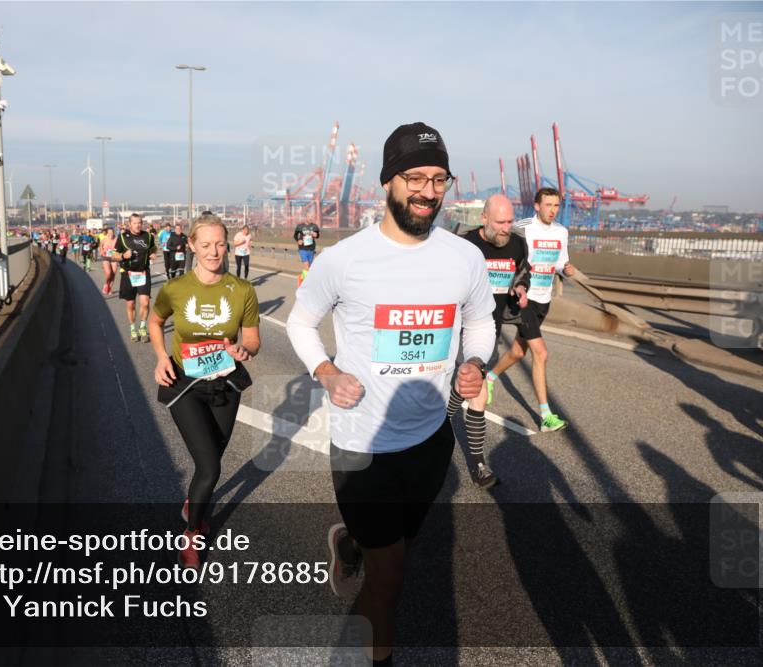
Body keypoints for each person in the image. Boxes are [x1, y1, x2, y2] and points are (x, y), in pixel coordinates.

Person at [286, 122, 495, 665]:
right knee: (391, 574)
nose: (428, 191)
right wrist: (327, 373)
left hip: (430, 442)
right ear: (387, 182)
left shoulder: (463, 258)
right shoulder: (345, 260)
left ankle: (349, 542)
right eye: (414, 178)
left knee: (395, 547)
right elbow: (300, 324)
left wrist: (474, 361)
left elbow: (481, 323)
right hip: (363, 444)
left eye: (438, 179)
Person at [149, 213, 260, 568]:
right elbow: (155, 321)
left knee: (212, 458)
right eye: (206, 245)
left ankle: (191, 503)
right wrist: (160, 356)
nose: (214, 252)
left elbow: (253, 341)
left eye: (220, 244)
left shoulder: (242, 290)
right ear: (192, 246)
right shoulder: (175, 289)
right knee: (209, 467)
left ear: (228, 245)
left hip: (225, 383)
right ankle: (193, 532)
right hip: (185, 383)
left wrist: (244, 351)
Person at [453, 194, 533, 489]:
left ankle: (477, 463)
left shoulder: (517, 243)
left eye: (510, 221)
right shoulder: (463, 245)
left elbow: (523, 271)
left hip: (488, 328)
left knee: (473, 390)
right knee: (464, 387)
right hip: (454, 328)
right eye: (500, 222)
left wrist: (521, 287)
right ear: (484, 218)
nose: (506, 228)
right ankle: (444, 430)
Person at [490, 187, 576, 432]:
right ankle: (546, 415)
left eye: (556, 206)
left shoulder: (561, 232)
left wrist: (566, 269)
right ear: (537, 206)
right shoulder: (523, 227)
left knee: (518, 352)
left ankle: (489, 378)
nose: (553, 210)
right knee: (541, 353)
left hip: (543, 299)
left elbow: (560, 262)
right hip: (523, 298)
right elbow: (507, 251)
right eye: (548, 205)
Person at [112, 214, 157, 342]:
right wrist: (123, 256)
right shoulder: (122, 237)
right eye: (135, 223)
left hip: (143, 272)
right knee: (131, 304)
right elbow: (113, 255)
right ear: (129, 224)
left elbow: (153, 248)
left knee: (145, 302)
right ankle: (133, 328)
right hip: (128, 274)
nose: (138, 225)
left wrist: (153, 254)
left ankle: (142, 328)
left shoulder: (147, 236)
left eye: (139, 223)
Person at [293, 218, 320, 285]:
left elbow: (318, 235)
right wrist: (298, 240)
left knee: (309, 267)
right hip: (302, 248)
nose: (311, 218)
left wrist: (316, 235)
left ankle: (302, 278)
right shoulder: (300, 226)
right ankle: (305, 282)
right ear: (306, 218)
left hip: (311, 248)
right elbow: (295, 235)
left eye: (312, 217)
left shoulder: (314, 226)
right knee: (307, 266)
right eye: (309, 217)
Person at [99, 227, 118, 295]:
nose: (111, 234)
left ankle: (109, 288)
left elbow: (121, 248)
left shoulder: (117, 239)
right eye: (109, 232)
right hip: (106, 257)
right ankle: (106, 284)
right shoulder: (104, 239)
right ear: (107, 233)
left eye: (112, 232)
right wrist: (101, 251)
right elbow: (100, 246)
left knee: (113, 273)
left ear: (114, 232)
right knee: (109, 273)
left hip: (114, 257)